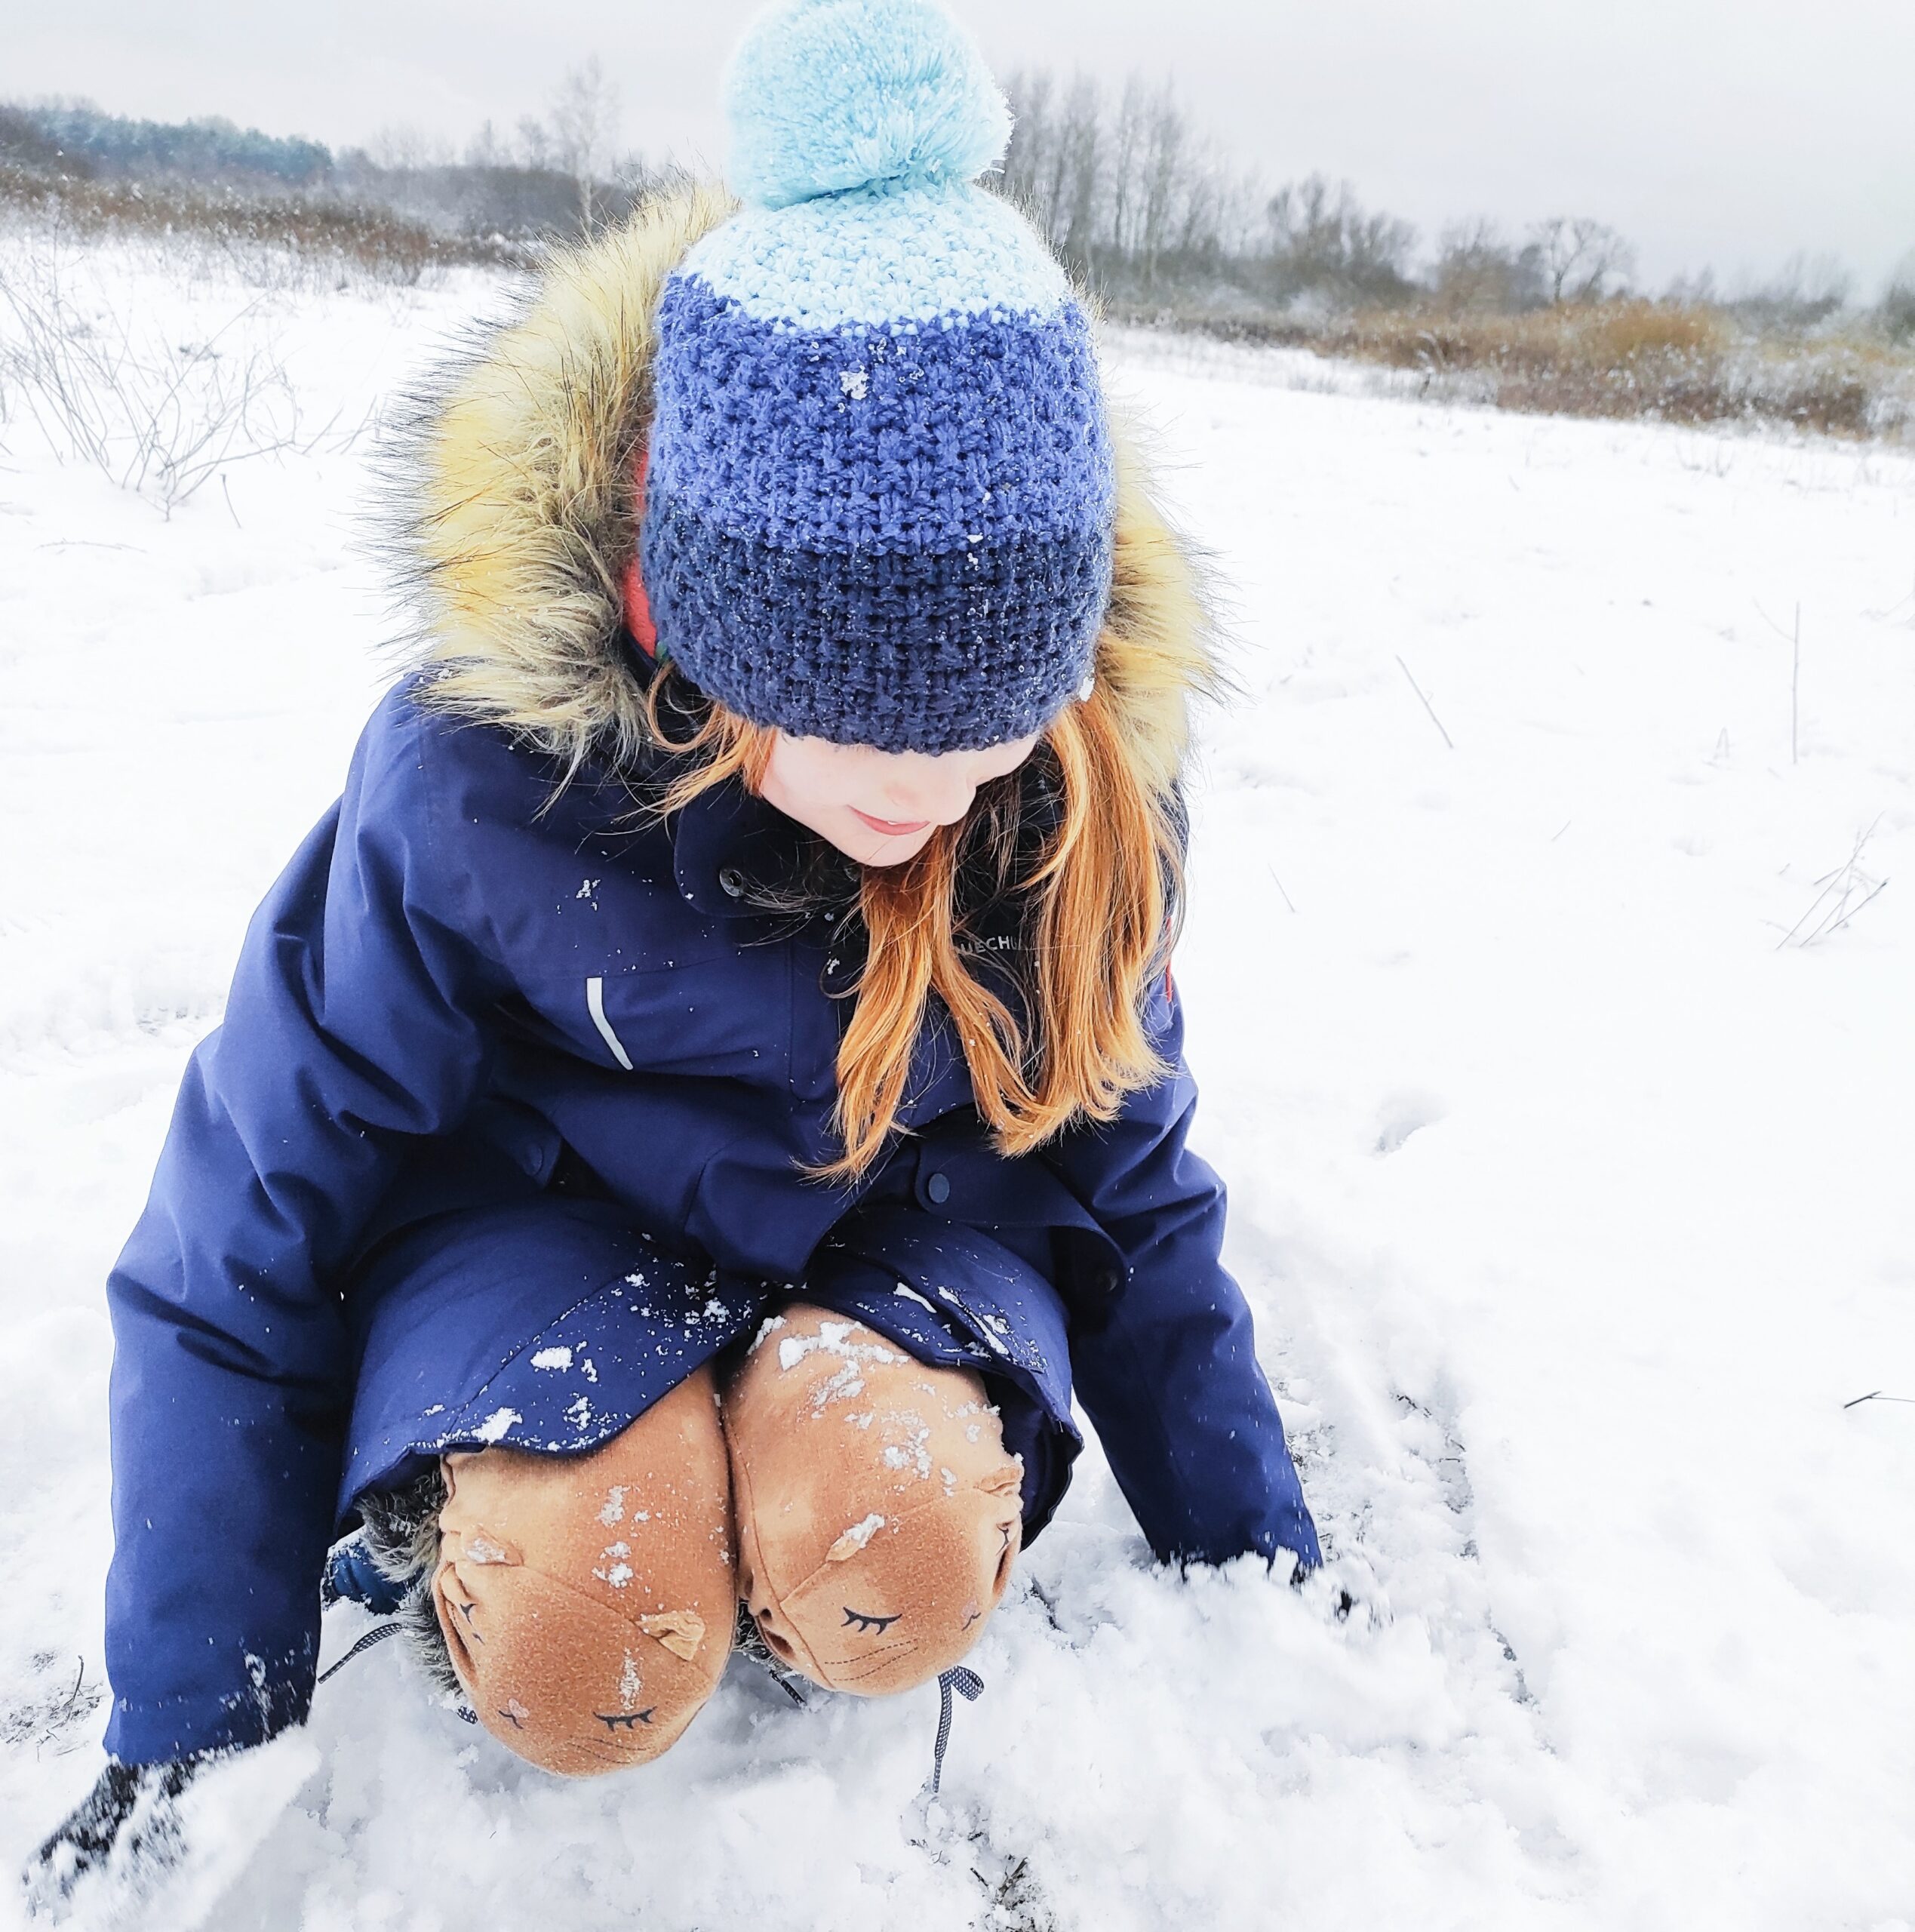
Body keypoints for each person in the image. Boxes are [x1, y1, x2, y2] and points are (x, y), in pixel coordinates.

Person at [27, 0, 1319, 1907]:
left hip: (908, 1236)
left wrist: (1257, 1561)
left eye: (997, 722)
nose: (944, 786)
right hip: (533, 1232)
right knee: (584, 1650)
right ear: (708, 637)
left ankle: (800, 1505)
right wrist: (189, 1710)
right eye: (878, 724)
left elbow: (1137, 1197)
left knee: (895, 1557)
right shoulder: (480, 796)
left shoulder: (1065, 809)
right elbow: (244, 1235)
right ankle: (572, 1507)